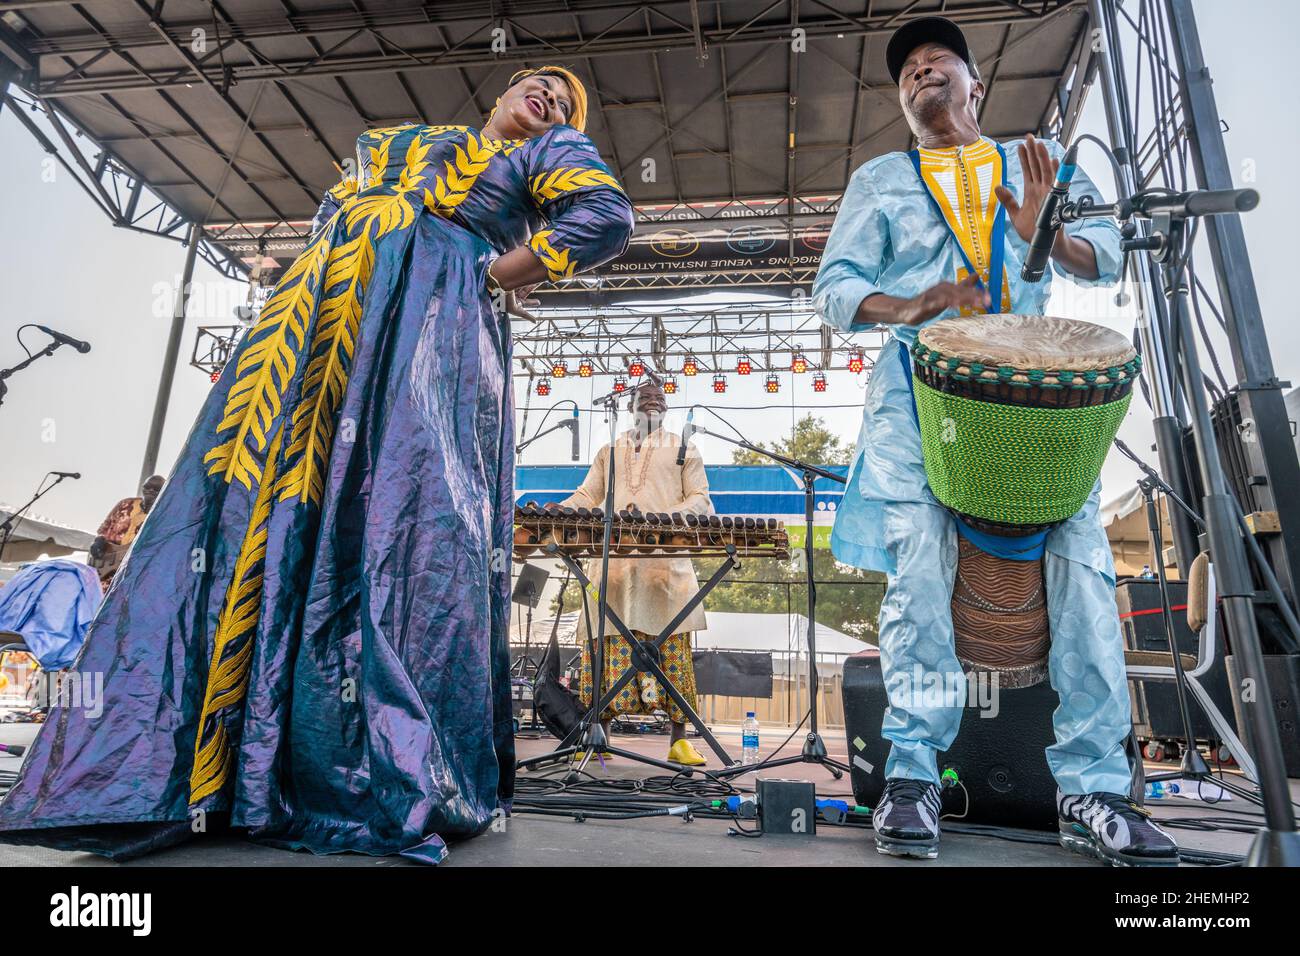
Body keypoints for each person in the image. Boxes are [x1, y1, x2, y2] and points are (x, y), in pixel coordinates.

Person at [0, 66, 635, 864]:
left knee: (400, 510)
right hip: (317, 321)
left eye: (564, 95)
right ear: (502, 90)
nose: (548, 94)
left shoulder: (547, 154)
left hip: (424, 321)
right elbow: (332, 216)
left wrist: (488, 274)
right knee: (256, 499)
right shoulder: (399, 144)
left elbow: (605, 218)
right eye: (534, 82)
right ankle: (211, 774)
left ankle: (362, 770)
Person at [812, 17, 1177, 866]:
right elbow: (835, 286)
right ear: (902, 103)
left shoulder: (1034, 162)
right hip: (918, 395)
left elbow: (1109, 255)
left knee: (1081, 574)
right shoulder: (879, 178)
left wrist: (1045, 234)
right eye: (906, 71)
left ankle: (1091, 789)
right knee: (921, 578)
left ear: (976, 85)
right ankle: (911, 776)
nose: (921, 71)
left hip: (1029, 391)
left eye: (939, 60)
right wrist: (901, 307)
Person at [551, 383, 713, 767]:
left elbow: (701, 499)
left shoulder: (683, 448)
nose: (654, 402)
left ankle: (679, 740)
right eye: (645, 397)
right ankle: (597, 732)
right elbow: (587, 496)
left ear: (667, 408)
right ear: (629, 406)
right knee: (605, 647)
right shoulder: (609, 450)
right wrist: (556, 511)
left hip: (663, 569)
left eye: (661, 399)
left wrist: (672, 519)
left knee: (670, 649)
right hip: (614, 570)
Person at [87, 474, 165, 592]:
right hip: (105, 572)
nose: (150, 490)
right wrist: (98, 541)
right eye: (147, 487)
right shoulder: (125, 504)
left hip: (134, 577)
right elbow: (104, 528)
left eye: (156, 489)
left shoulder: (163, 515)